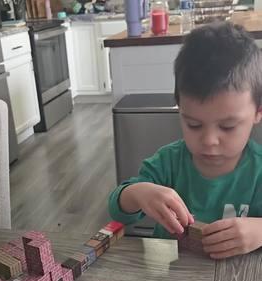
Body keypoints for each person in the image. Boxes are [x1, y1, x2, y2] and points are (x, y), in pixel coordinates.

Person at [108, 21, 262, 259]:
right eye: (194, 125)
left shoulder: (258, 171)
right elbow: (118, 209)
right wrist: (139, 193)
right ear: (180, 109)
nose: (209, 140)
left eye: (228, 126)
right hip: (170, 275)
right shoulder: (169, 162)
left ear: (258, 112)